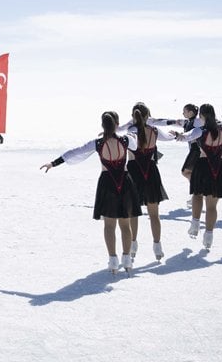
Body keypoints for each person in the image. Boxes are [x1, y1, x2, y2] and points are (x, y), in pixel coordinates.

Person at [40, 111, 141, 275]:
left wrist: (54, 163)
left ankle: (113, 259)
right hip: (124, 182)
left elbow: (75, 152)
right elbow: (135, 145)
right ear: (117, 124)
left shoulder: (97, 143)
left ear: (102, 125)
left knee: (109, 225)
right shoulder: (126, 139)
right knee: (125, 224)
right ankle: (127, 258)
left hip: (107, 182)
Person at [173, 104, 222, 250]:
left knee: (197, 194)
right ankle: (208, 235)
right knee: (212, 205)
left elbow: (186, 137)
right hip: (219, 167)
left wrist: (178, 136)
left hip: (203, 166)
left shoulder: (200, 130)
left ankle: (195, 223)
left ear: (201, 116)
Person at [126, 103, 173, 262]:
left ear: (133, 116)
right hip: (151, 171)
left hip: (134, 171)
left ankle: (133, 244)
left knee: (133, 211)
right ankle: (157, 245)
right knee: (154, 214)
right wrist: (177, 133)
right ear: (148, 116)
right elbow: (169, 137)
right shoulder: (154, 130)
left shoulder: (131, 131)